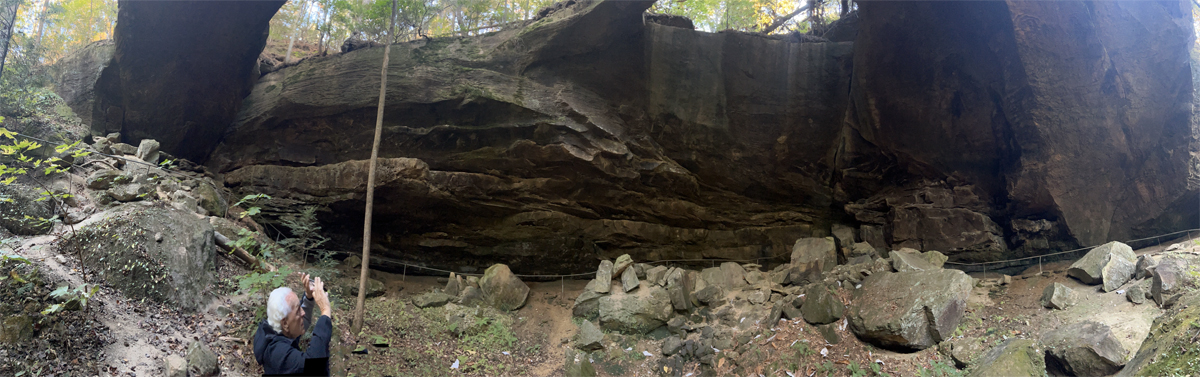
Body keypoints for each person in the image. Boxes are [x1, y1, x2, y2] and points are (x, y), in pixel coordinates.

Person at [253, 273, 333, 376]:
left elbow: (301, 324)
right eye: (298, 311)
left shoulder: (276, 329)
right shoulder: (278, 354)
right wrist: (325, 311)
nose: (303, 312)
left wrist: (308, 297)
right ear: (285, 323)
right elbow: (314, 365)